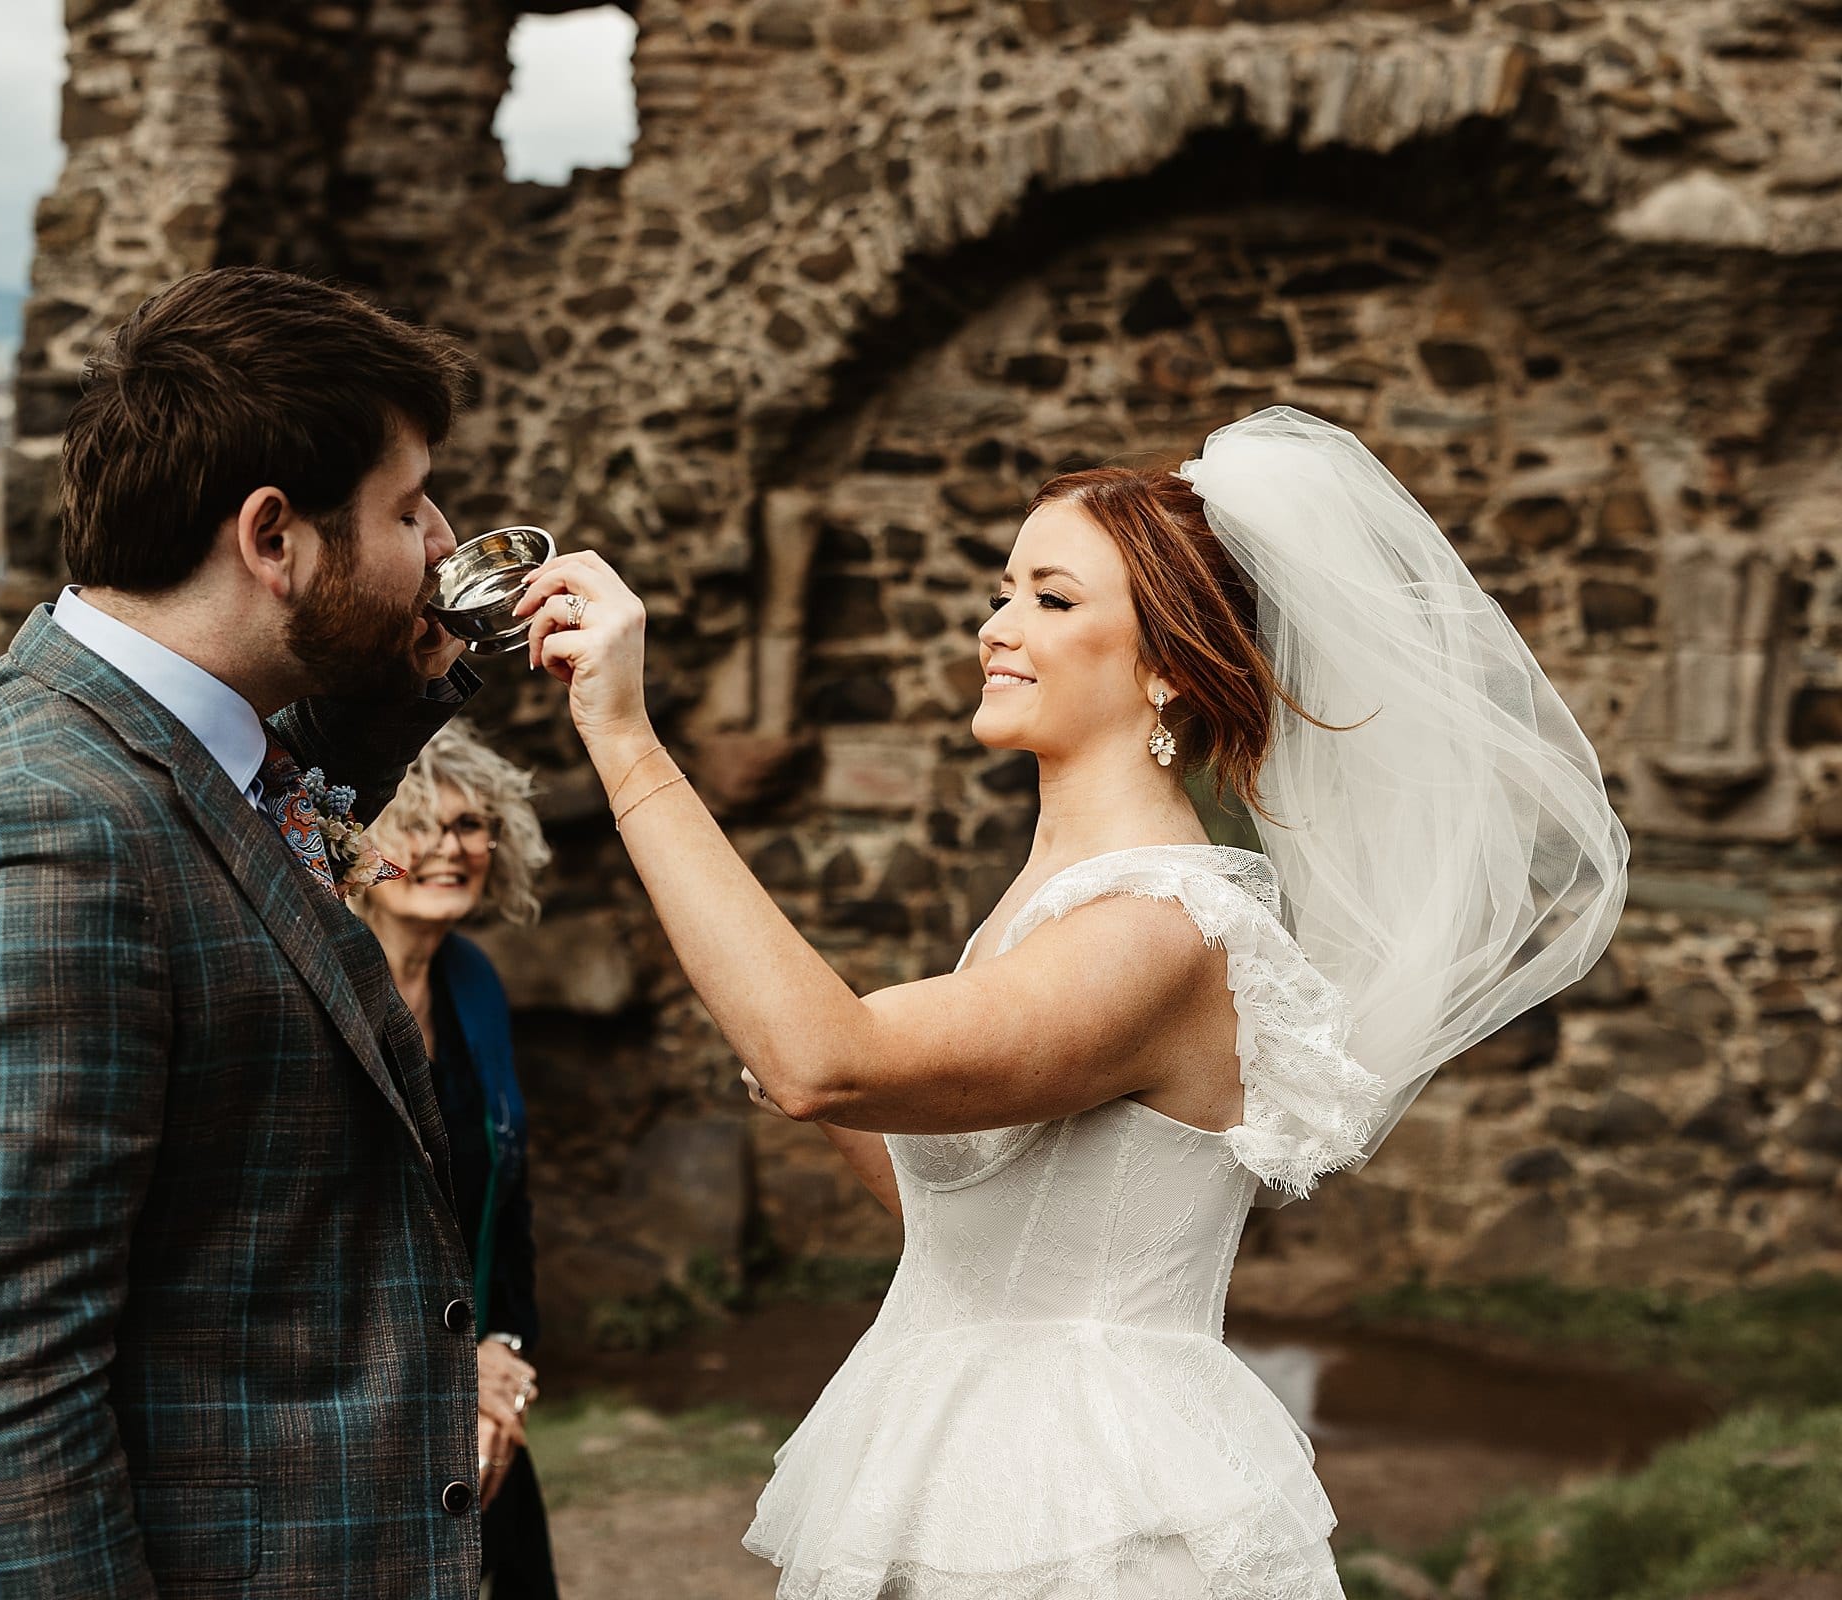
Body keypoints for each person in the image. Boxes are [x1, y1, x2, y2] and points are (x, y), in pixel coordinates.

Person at [510, 406, 1627, 1599]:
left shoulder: (1158, 931)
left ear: (1165, 665)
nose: (996, 626)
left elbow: (816, 1060)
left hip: (1083, 1503)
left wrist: (623, 737)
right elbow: (959, 1225)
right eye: (1004, 591)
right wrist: (855, 1063)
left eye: (1051, 599)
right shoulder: (1046, 914)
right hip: (956, 1439)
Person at [0, 267, 497, 1599]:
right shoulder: (39, 834)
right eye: (407, 508)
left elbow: (242, 873)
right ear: (275, 536)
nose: (443, 542)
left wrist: (405, 686)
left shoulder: (146, 744)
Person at [354, 725, 561, 1600]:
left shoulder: (472, 982)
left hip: (471, 1408)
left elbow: (505, 1205)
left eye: (472, 825)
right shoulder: (315, 982)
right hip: (351, 1414)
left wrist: (501, 1359)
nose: (448, 847)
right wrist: (454, 1367)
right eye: (417, 823)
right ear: (360, 845)